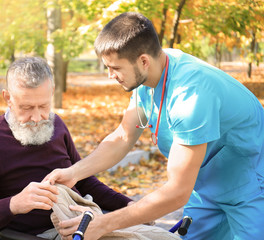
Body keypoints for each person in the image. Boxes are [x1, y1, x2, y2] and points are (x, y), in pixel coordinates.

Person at [44, 12, 264, 240]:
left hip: (251, 187)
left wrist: (103, 224)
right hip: (207, 187)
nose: (110, 76)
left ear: (143, 61)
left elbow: (177, 192)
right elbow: (123, 137)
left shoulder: (191, 95)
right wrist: (73, 173)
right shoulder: (149, 75)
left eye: (115, 68)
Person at [0, 57, 133, 238]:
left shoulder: (56, 124)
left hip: (88, 220)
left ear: (52, 92)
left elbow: (84, 181)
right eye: (27, 107)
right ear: (8, 98)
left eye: (43, 106)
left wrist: (129, 206)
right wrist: (14, 204)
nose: (37, 118)